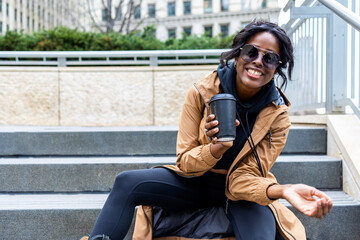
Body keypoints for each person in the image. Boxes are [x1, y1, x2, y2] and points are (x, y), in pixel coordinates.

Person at [82, 19, 332, 240]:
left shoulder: (278, 117)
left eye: (270, 57)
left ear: (277, 67)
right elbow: (185, 161)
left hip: (241, 192)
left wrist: (284, 190)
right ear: (238, 54)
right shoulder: (201, 93)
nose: (258, 61)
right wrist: (214, 149)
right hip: (195, 182)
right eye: (251, 52)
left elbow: (244, 179)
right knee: (126, 183)